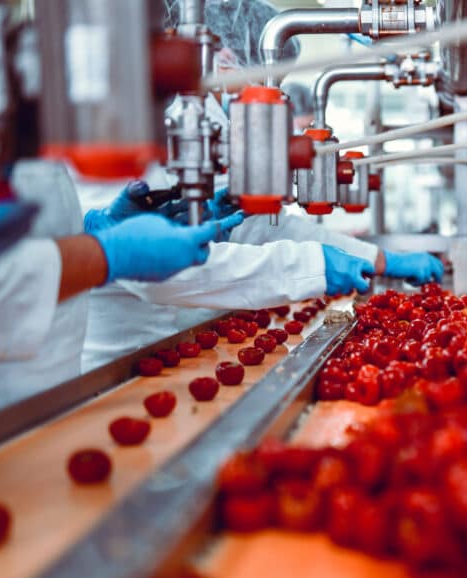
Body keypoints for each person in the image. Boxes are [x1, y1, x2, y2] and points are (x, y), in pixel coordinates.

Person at [79, 0, 444, 370]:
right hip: (116, 360)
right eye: (261, 85)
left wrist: (373, 258)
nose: (265, 101)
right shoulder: (120, 122)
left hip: (177, 343)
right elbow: (155, 271)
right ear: (221, 59)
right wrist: (314, 267)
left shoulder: (205, 118)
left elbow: (255, 227)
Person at [0, 159, 241, 414]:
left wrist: (97, 225)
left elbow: (32, 231)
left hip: (61, 380)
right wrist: (107, 252)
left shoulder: (21, 140)